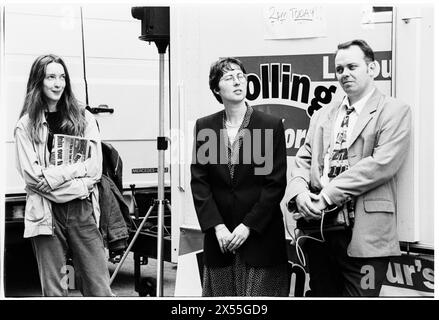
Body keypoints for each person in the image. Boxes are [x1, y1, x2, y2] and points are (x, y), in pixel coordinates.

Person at [283, 39, 412, 297]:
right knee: (322, 293)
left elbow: (381, 165)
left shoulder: (394, 110)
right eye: (339, 69)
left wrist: (328, 196)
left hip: (364, 235)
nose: (345, 74)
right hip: (320, 231)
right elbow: (303, 160)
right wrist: (298, 194)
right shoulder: (323, 114)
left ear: (372, 68)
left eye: (352, 66)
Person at [14, 54, 113, 296]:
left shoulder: (83, 117)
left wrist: (55, 177)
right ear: (38, 81)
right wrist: (77, 183)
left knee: (99, 287)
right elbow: (33, 178)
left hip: (81, 209)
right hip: (45, 212)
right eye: (50, 77)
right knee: (55, 290)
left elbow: (95, 168)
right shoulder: (26, 126)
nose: (58, 84)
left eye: (62, 77)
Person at [190, 57, 290, 296]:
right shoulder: (207, 127)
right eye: (228, 77)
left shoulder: (267, 125)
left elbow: (273, 185)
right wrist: (217, 226)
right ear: (216, 88)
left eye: (240, 76)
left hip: (259, 237)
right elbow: (200, 182)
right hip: (221, 239)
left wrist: (248, 226)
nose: (237, 81)